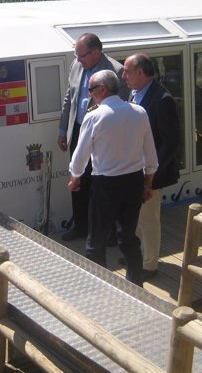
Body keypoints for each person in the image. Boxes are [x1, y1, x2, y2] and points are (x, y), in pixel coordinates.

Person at [68, 70, 157, 287]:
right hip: (134, 182)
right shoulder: (140, 112)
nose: (89, 95)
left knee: (96, 241)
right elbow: (151, 156)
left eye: (90, 90)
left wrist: (75, 178)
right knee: (128, 238)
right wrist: (148, 184)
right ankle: (136, 286)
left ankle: (100, 288)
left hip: (106, 185)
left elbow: (80, 156)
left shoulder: (94, 116)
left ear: (102, 89)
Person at [58, 32, 125, 242]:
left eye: (82, 56)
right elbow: (70, 97)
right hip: (78, 131)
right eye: (76, 56)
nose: (78, 60)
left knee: (103, 183)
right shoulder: (76, 66)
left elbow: (120, 111)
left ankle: (110, 231)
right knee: (77, 180)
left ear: (96, 53)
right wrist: (62, 130)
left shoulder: (116, 71)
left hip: (103, 137)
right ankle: (80, 226)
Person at [122, 54, 179, 280]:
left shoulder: (163, 99)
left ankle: (149, 265)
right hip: (133, 169)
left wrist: (151, 174)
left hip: (151, 173)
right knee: (133, 218)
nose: (123, 76)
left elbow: (171, 142)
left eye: (127, 71)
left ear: (141, 73)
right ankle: (136, 256)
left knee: (148, 219)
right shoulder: (133, 93)